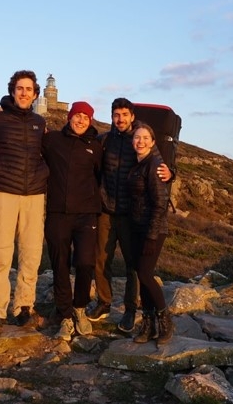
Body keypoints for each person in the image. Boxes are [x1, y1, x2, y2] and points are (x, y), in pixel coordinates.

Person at [88, 98, 172, 333]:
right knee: (101, 259)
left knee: (132, 266)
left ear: (132, 116)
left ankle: (130, 310)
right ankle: (104, 302)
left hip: (130, 214)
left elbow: (159, 167)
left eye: (125, 114)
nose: (120, 119)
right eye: (116, 115)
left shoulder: (141, 138)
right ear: (112, 116)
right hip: (106, 210)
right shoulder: (105, 139)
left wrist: (171, 172)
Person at [0, 70, 49, 332]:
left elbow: (51, 152)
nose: (24, 93)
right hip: (3, 192)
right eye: (19, 88)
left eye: (29, 89)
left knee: (31, 255)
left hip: (34, 195)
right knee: (1, 254)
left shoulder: (39, 122)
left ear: (35, 93)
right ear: (12, 90)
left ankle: (23, 307)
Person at [41, 101, 103, 341]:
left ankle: (79, 308)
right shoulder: (52, 140)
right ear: (69, 117)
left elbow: (100, 176)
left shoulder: (96, 147)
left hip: (87, 214)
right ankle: (65, 315)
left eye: (85, 117)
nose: (80, 120)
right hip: (58, 213)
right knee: (60, 265)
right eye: (77, 116)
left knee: (86, 263)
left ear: (90, 121)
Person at [127, 123, 174, 345]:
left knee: (145, 274)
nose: (141, 141)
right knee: (141, 275)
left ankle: (165, 320)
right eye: (137, 137)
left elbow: (160, 204)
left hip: (152, 230)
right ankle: (148, 325)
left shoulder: (154, 165)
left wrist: (151, 236)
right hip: (136, 228)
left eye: (146, 138)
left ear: (153, 142)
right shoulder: (136, 165)